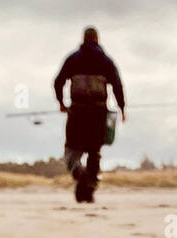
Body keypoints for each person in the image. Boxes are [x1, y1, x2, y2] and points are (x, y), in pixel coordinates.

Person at [53, 26, 125, 202]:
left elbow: (58, 82)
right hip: (98, 112)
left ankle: (79, 173)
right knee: (94, 151)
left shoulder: (73, 59)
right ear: (97, 39)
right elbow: (117, 85)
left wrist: (61, 103)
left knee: (71, 149)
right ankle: (91, 185)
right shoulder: (106, 61)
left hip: (77, 111)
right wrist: (122, 108)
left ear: (84, 39)